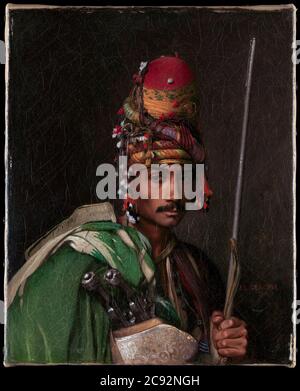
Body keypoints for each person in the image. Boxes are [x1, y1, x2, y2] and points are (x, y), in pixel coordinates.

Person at [5, 55, 247, 365]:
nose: (175, 193)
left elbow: (196, 357)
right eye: (159, 177)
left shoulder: (198, 270)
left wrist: (217, 347)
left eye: (183, 178)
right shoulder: (84, 259)